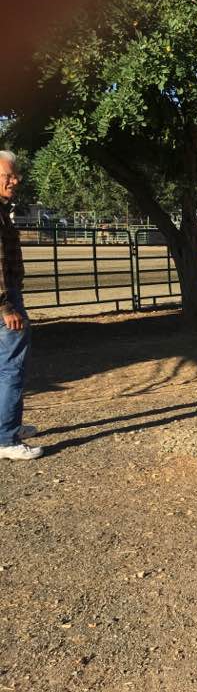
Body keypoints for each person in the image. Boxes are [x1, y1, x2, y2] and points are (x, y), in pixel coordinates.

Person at [0, 151, 41, 460]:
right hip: (5, 299)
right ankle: (6, 439)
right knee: (12, 366)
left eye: (16, 175)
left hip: (8, 295)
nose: (15, 180)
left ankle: (6, 426)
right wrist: (6, 305)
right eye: (8, 175)